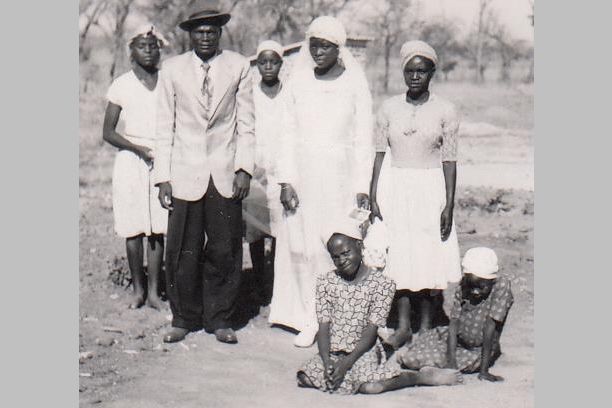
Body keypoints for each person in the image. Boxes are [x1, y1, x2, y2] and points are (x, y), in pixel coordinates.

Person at [154, 1, 255, 344]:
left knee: (225, 249)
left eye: (212, 30)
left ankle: (220, 318)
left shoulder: (239, 66)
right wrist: (162, 176)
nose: (206, 36)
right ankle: (184, 317)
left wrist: (244, 168)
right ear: (189, 34)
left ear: (220, 32)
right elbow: (163, 125)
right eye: (199, 30)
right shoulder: (171, 69)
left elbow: (247, 124)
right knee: (183, 247)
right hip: (184, 171)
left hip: (225, 171)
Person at [272, 16, 374, 347]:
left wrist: (361, 184)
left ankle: (339, 317)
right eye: (313, 44)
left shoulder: (355, 84)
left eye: (326, 45)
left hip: (340, 180)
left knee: (336, 246)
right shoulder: (297, 82)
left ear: (338, 48)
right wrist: (286, 180)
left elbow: (363, 137)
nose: (318, 51)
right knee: (301, 246)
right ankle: (306, 317)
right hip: (302, 178)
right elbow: (285, 134)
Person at [297, 221, 463, 394]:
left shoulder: (382, 284)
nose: (342, 261)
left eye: (346, 253)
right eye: (335, 257)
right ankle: (344, 370)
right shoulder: (326, 282)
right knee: (305, 377)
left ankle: (418, 377)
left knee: (371, 387)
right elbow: (323, 326)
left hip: (363, 351)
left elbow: (371, 331)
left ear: (360, 246)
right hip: (332, 351)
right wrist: (326, 362)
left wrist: (345, 364)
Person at [369, 40, 462, 349]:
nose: (415, 77)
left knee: (427, 254)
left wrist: (448, 203)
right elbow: (380, 153)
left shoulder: (445, 110)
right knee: (400, 254)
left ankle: (426, 326)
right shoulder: (389, 107)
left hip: (429, 187)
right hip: (396, 186)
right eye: (410, 71)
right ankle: (404, 326)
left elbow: (449, 159)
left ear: (432, 72)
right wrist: (373, 192)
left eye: (421, 71)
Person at [102, 24, 169, 310]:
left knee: (156, 227)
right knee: (133, 227)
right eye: (143, 46)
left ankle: (155, 293)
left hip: (161, 158)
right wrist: (137, 148)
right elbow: (108, 132)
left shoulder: (168, 82)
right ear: (132, 51)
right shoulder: (121, 84)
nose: (149, 51)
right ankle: (138, 291)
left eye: (153, 46)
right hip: (131, 160)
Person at [397, 247, 514, 382]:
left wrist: (484, 371)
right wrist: (451, 360)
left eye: (481, 287)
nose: (475, 292)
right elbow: (454, 323)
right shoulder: (464, 284)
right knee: (429, 336)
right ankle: (427, 361)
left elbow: (490, 328)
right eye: (471, 286)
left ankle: (426, 365)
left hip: (476, 351)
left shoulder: (501, 287)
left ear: (492, 280)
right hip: (454, 339)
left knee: (411, 359)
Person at [241, 40, 286, 306]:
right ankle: (259, 284)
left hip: (283, 171)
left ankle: (279, 287)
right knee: (256, 232)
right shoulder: (250, 95)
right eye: (263, 62)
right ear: (257, 65)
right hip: (257, 169)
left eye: (274, 61)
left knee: (281, 231)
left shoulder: (289, 94)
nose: (268, 66)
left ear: (281, 63)